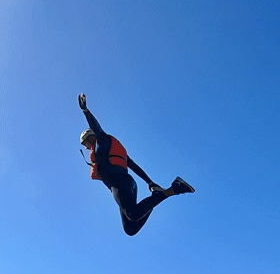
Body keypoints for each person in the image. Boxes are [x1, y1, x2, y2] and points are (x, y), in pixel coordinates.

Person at [79, 93, 194, 236]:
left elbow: (97, 128)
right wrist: (150, 182)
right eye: (85, 145)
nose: (88, 146)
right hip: (128, 184)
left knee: (133, 215)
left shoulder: (102, 142)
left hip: (120, 183)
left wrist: (86, 111)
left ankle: (174, 189)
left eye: (88, 142)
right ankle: (157, 195)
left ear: (93, 137)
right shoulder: (111, 151)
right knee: (130, 229)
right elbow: (134, 166)